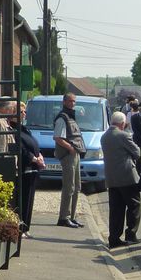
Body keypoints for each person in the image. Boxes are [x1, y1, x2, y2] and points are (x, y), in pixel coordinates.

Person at [101, 111, 141, 248]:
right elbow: (136, 152)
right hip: (127, 176)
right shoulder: (123, 135)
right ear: (122, 123)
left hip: (111, 177)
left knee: (116, 209)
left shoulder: (104, 136)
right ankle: (131, 233)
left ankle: (114, 237)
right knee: (134, 206)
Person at [54, 93, 86, 229]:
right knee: (69, 187)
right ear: (64, 102)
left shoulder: (71, 117)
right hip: (68, 155)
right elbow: (57, 138)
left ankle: (72, 217)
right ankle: (64, 217)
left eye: (74, 101)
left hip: (75, 153)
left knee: (77, 186)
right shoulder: (62, 118)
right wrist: (71, 148)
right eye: (70, 101)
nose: (73, 104)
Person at [12, 101, 44, 238]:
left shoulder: (24, 128)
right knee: (23, 199)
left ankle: (26, 227)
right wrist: (35, 159)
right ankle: (21, 227)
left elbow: (33, 144)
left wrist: (40, 156)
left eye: (24, 112)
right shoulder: (13, 129)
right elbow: (22, 149)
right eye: (21, 112)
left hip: (33, 169)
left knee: (30, 199)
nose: (24, 114)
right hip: (25, 168)